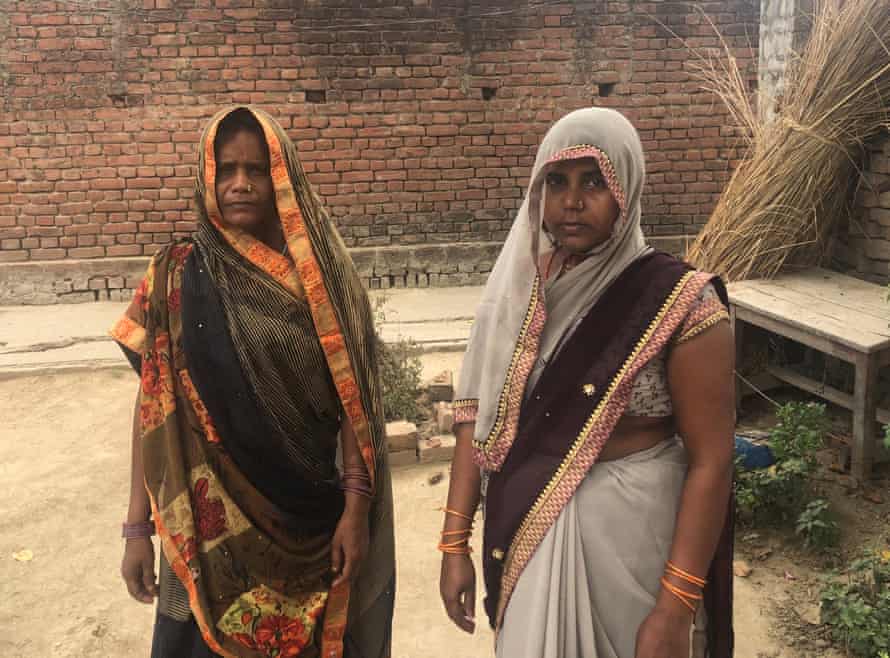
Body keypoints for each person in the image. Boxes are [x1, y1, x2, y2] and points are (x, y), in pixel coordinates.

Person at [438, 108, 735, 658]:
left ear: (627, 185)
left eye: (594, 181)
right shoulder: (516, 294)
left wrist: (675, 607)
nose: (572, 201)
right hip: (530, 526)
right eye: (557, 182)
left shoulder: (681, 303)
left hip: (634, 540)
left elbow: (712, 461)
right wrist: (454, 541)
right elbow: (473, 418)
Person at [112, 106, 394, 658]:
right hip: (202, 534)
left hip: (310, 525)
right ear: (206, 175)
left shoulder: (327, 284)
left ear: (281, 176)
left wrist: (357, 510)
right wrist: (137, 529)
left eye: (256, 169)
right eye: (226, 168)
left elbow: (351, 409)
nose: (240, 183)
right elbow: (155, 410)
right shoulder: (174, 275)